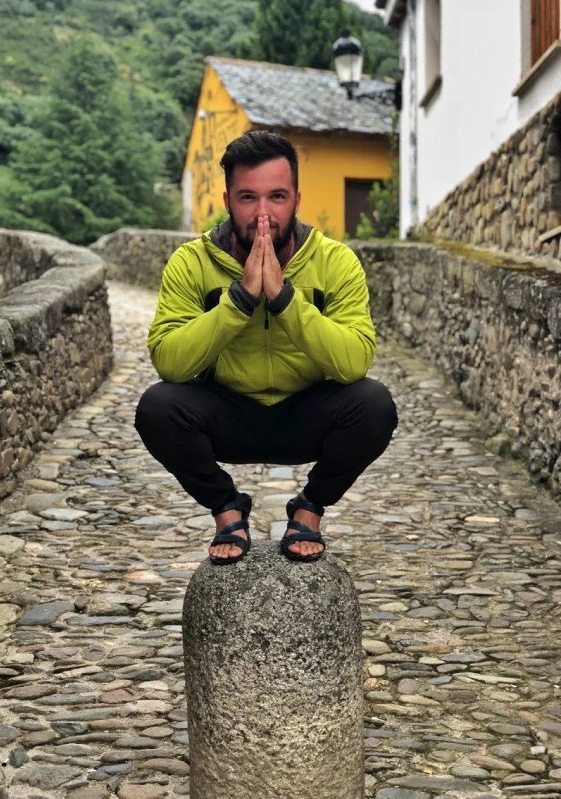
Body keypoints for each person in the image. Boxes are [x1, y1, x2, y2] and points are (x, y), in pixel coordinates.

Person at [135, 130, 397, 565]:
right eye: (247, 197)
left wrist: (284, 300)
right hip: (229, 414)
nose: (263, 213)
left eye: (277, 196)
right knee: (157, 407)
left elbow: (354, 362)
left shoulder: (336, 261)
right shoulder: (191, 262)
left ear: (296, 199)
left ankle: (309, 510)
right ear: (227, 200)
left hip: (305, 413)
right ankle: (227, 510)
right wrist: (238, 302)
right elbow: (170, 363)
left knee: (375, 404)